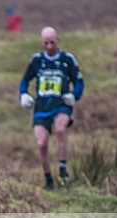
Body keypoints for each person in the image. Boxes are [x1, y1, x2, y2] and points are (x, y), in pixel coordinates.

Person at [19, 26, 85, 189]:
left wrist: (74, 95)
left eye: (52, 43)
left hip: (61, 104)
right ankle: (48, 178)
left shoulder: (67, 59)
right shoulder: (37, 60)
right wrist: (24, 95)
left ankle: (63, 170)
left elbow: (79, 82)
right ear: (42, 43)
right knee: (42, 143)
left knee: (60, 129)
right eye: (46, 43)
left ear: (58, 40)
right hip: (42, 107)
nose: (49, 47)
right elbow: (24, 80)